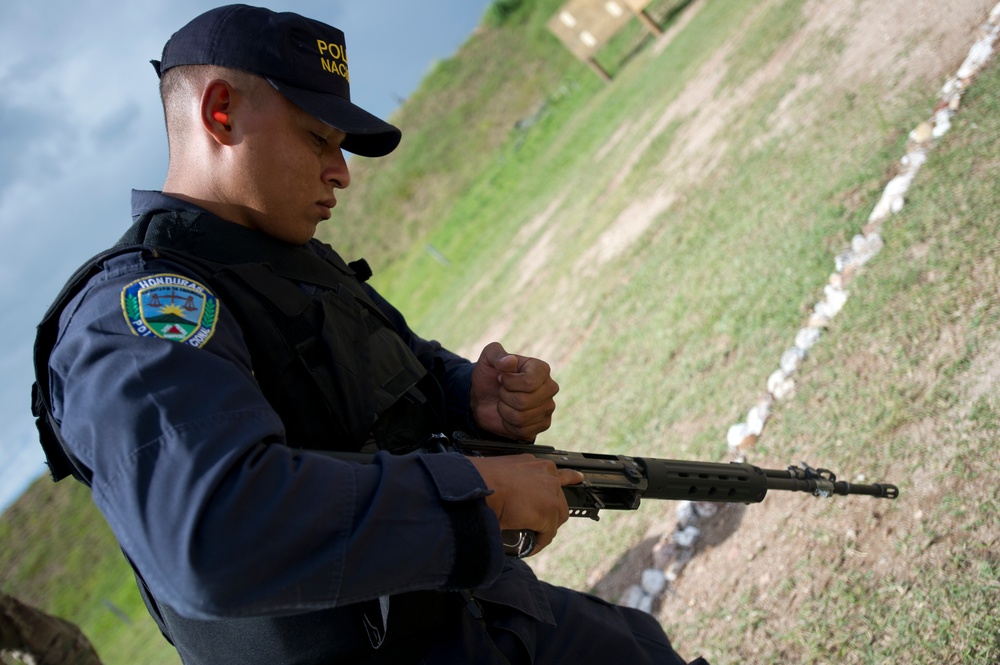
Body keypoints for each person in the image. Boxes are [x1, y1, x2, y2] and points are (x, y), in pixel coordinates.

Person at [32, 5, 707, 664]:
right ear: (220, 113)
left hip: (472, 610)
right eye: (318, 139)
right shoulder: (136, 310)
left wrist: (473, 396)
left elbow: (399, 371)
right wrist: (482, 495)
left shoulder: (297, 263)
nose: (342, 172)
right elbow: (214, 531)